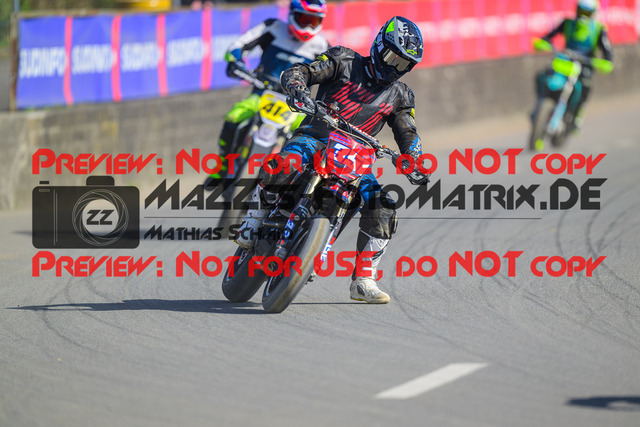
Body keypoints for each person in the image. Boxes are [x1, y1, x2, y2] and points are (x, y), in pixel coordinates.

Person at [235, 16, 429, 304]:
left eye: (404, 65)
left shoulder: (401, 95)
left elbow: (407, 132)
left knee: (385, 207)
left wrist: (414, 158)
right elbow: (301, 71)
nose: (395, 68)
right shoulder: (343, 59)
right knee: (283, 164)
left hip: (356, 158)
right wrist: (298, 88)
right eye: (393, 58)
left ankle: (364, 279)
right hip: (314, 138)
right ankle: (253, 220)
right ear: (379, 46)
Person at [213, 0, 330, 180]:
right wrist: (236, 61)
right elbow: (236, 46)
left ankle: (294, 186)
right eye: (304, 19)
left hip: (297, 107)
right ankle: (223, 165)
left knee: (309, 140)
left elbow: (332, 78)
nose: (307, 25)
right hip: (261, 95)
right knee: (233, 117)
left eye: (313, 21)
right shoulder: (273, 27)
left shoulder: (323, 47)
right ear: (292, 14)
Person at [533, 0, 613, 131]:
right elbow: (550, 35)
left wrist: (607, 61)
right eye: (581, 11)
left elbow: (607, 51)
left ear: (593, 13)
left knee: (585, 85)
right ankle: (539, 105)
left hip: (584, 64)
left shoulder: (598, 29)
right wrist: (543, 42)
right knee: (542, 76)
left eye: (587, 13)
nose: (583, 16)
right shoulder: (568, 23)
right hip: (566, 60)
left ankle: (577, 114)